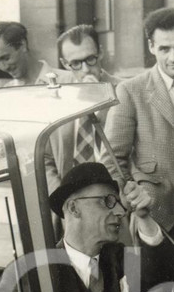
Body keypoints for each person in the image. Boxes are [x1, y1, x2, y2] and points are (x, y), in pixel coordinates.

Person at [104, 7, 174, 292]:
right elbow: (112, 158)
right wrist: (132, 200)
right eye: (164, 48)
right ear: (151, 47)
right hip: (153, 214)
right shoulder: (131, 91)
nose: (173, 57)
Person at [46, 162, 163, 292]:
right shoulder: (38, 271)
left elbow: (156, 274)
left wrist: (143, 217)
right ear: (74, 208)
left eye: (118, 203)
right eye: (107, 201)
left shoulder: (120, 257)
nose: (120, 212)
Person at [45, 25, 124, 193]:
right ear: (64, 64)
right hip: (70, 196)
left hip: (115, 194)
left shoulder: (125, 91)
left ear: (100, 53)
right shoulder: (56, 97)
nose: (86, 69)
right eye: (76, 63)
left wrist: (98, 97)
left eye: (90, 59)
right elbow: (45, 157)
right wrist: (60, 196)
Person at [0, 21, 42, 87]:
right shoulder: (7, 89)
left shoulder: (49, 78)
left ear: (22, 45)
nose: (4, 67)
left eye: (6, 58)